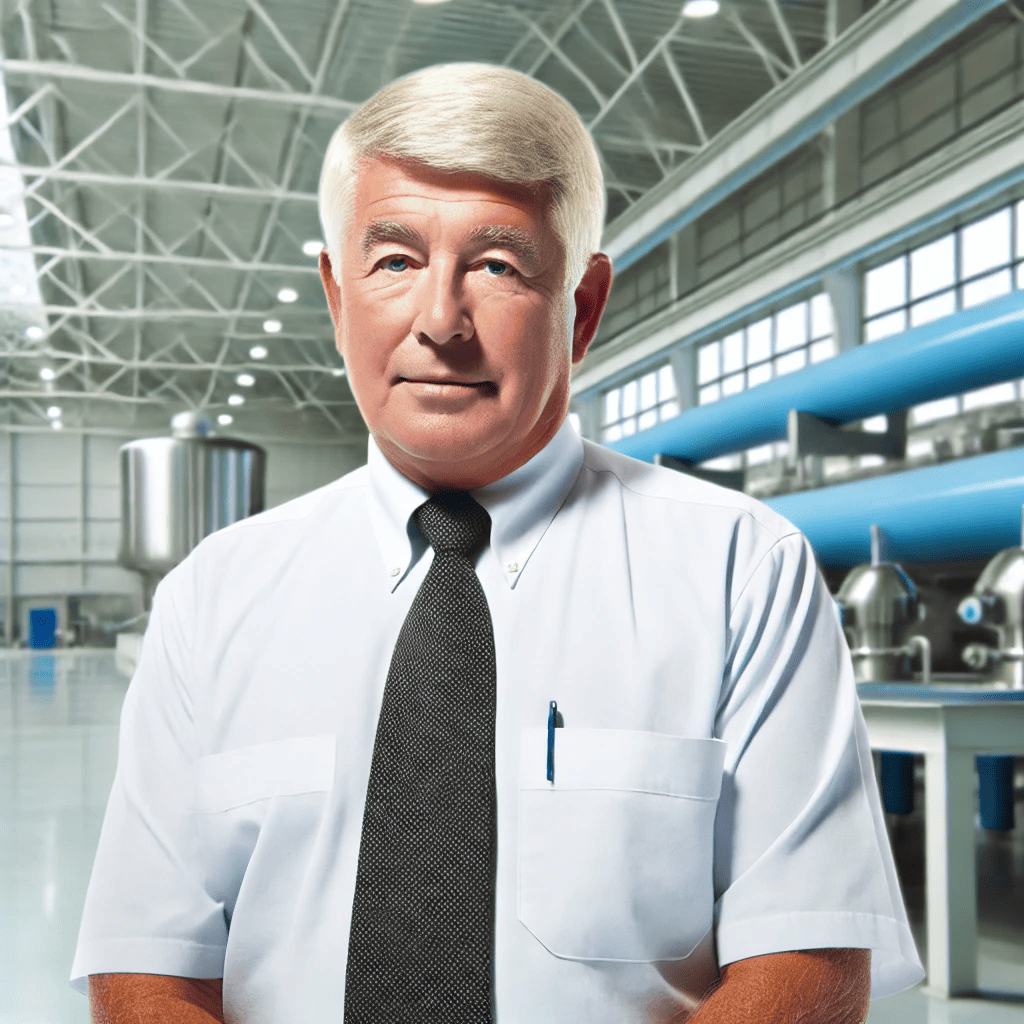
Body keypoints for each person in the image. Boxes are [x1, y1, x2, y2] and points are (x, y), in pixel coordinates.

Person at [73, 63, 924, 1023]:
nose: (440, 322)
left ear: (584, 307)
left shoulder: (741, 570)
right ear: (334, 293)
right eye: (394, 262)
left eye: (498, 266)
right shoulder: (212, 598)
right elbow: (143, 969)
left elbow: (809, 961)